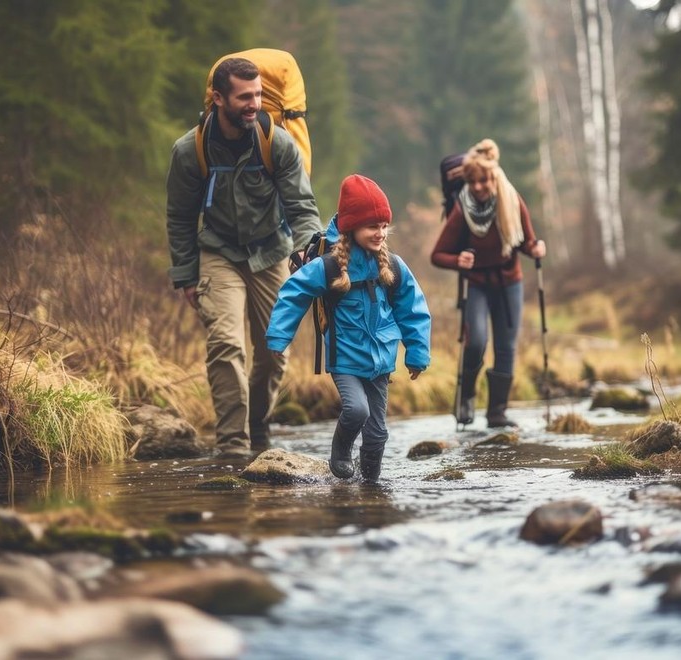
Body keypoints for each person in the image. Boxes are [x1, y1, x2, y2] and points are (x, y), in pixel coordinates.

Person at [165, 57, 321, 457]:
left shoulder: (277, 142)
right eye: (244, 97)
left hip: (272, 253)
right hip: (218, 254)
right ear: (218, 98)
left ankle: (258, 425)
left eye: (258, 95)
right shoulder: (190, 150)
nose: (254, 104)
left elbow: (302, 208)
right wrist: (185, 275)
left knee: (274, 351)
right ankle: (233, 444)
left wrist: (310, 249)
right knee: (225, 344)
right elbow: (180, 217)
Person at [267, 174, 431, 481]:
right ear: (351, 227)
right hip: (345, 359)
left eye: (384, 226)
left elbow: (413, 309)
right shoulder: (329, 266)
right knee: (357, 410)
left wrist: (417, 353)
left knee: (378, 433)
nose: (381, 233)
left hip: (381, 360)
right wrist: (279, 336)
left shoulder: (393, 265)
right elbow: (294, 293)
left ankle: (370, 486)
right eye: (372, 226)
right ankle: (340, 450)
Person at [430, 138, 547, 428]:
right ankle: (466, 395)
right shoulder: (462, 209)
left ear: (494, 177)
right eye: (473, 181)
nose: (479, 187)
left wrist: (535, 250)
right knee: (477, 341)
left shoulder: (512, 200)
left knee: (506, 347)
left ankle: (497, 413)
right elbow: (437, 255)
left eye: (484, 180)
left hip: (509, 282)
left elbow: (526, 241)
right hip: (478, 284)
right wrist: (459, 261)